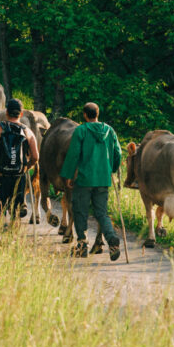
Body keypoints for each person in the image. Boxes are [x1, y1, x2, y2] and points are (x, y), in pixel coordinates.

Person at [60, 102, 122, 261]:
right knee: (102, 212)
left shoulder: (81, 130)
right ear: (98, 114)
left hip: (84, 179)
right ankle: (112, 240)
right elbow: (118, 153)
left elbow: (73, 154)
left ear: (85, 115)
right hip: (103, 179)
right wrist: (112, 169)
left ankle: (82, 245)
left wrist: (67, 175)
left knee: (80, 210)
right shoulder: (109, 130)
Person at [0, 98, 39, 225]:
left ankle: (0, 232)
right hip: (19, 178)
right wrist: (26, 167)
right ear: (21, 113)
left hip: (0, 176)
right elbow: (35, 157)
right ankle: (12, 236)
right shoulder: (27, 131)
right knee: (16, 212)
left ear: (6, 112)